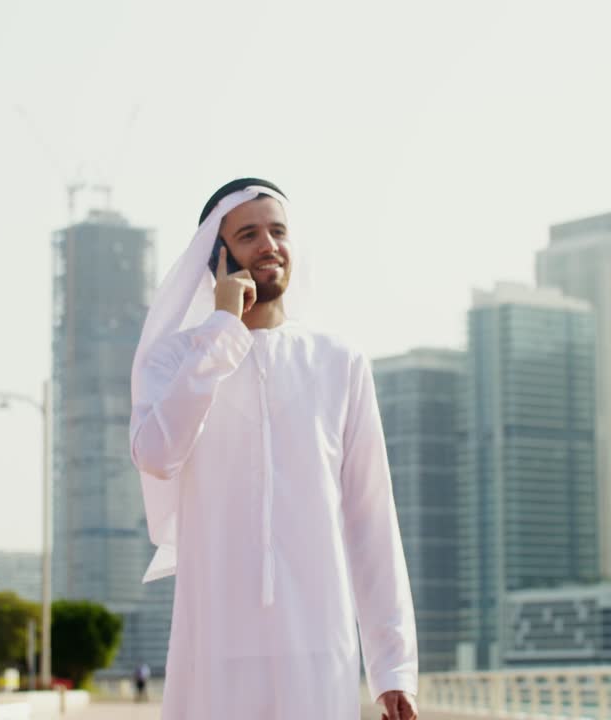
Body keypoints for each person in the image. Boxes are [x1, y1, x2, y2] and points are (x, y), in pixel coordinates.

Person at [129, 178, 419, 719]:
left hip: (318, 647)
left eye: (278, 231)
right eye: (248, 234)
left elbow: (371, 519)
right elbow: (155, 454)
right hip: (213, 647)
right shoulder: (176, 360)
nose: (268, 245)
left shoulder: (339, 361)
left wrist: (393, 668)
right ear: (217, 258)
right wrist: (219, 334)